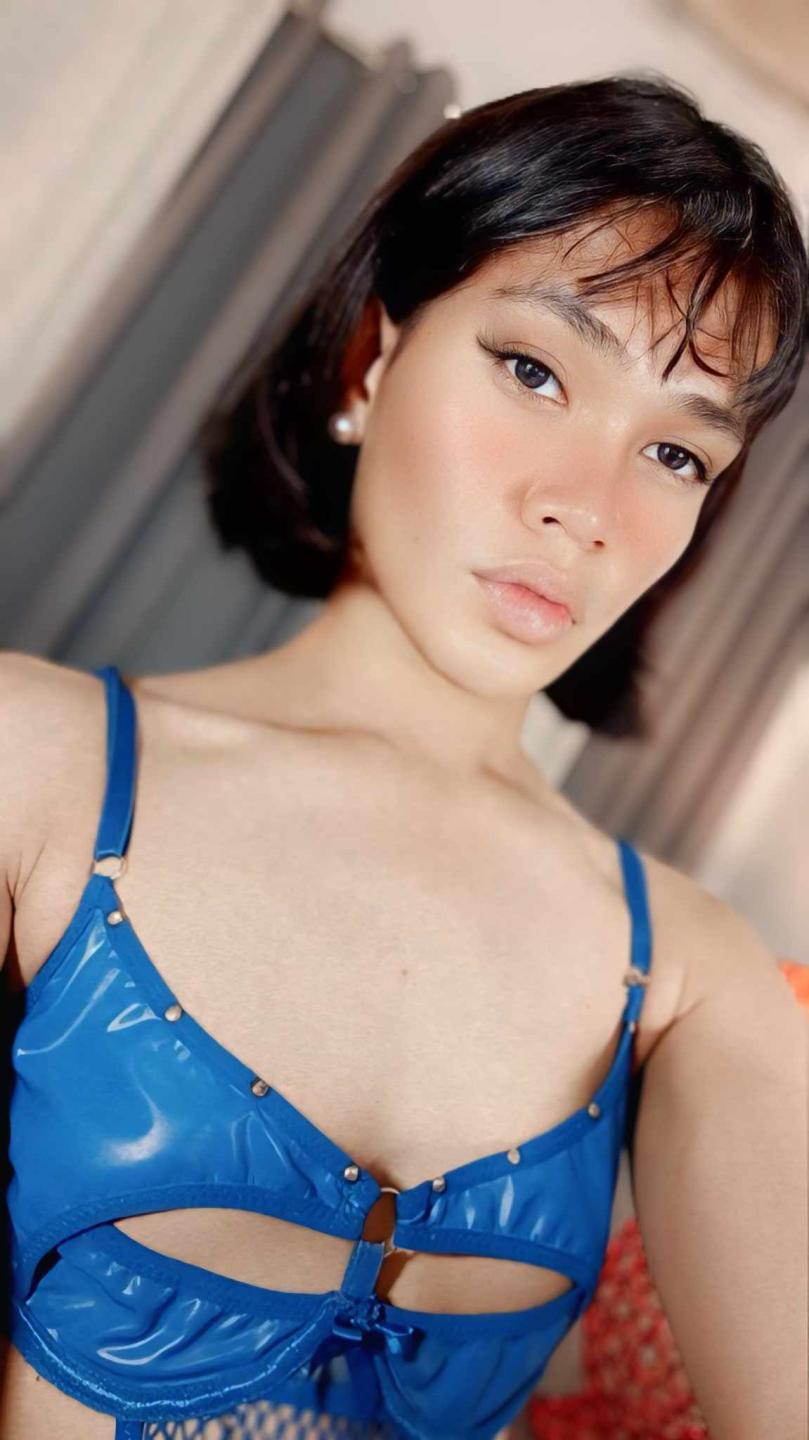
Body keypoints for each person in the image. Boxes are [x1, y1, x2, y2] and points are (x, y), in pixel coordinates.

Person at [0, 73, 806, 1440]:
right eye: (535, 371)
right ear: (371, 363)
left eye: (676, 454)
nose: (586, 507)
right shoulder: (41, 763)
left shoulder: (688, 972)